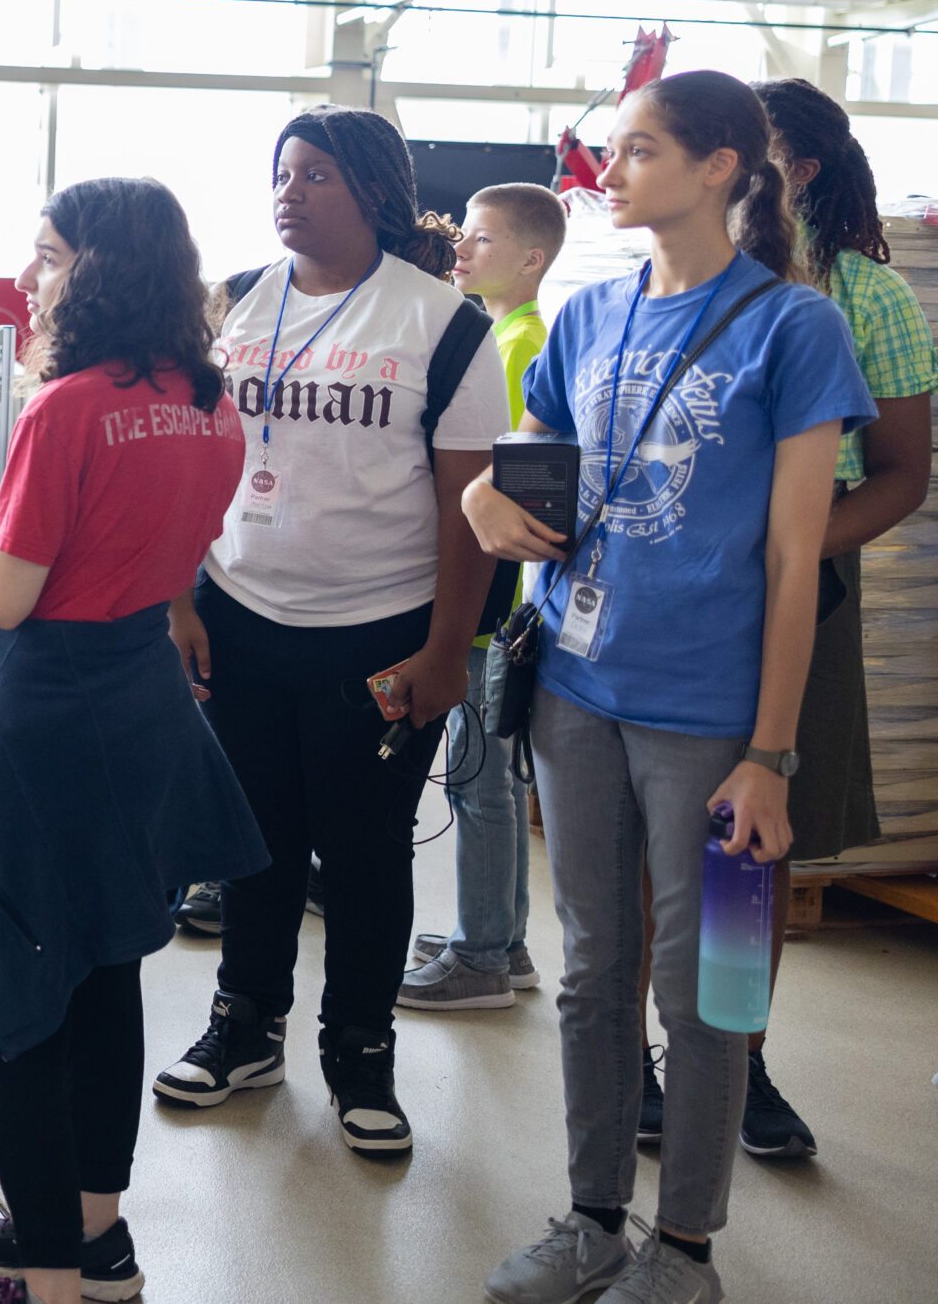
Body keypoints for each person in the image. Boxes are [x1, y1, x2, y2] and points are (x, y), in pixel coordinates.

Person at [465, 70, 872, 1304]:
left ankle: (684, 1249)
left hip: (713, 718)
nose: (610, 170)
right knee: (595, 969)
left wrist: (774, 753)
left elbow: (797, 559)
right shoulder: (587, 314)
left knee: (710, 989)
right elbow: (521, 471)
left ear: (720, 168)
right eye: (610, 149)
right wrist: (486, 503)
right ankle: (593, 1218)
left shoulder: (795, 328)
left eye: (639, 150)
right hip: (575, 690)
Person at [0, 179, 266, 1304]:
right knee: (109, 969)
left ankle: (46, 1277)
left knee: (14, 996)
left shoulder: (64, 409)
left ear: (98, 270)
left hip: (42, 725)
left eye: (47, 255)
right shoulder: (209, 403)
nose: (27, 277)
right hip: (142, 710)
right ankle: (99, 1242)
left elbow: (7, 594)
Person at [153, 105, 507, 1155]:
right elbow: (187, 459)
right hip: (237, 617)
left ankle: (359, 1047)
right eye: (281, 172)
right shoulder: (232, 303)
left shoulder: (440, 323)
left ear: (373, 190)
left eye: (314, 175)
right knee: (248, 842)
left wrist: (448, 651)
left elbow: (468, 509)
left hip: (379, 634)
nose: (288, 192)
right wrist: (178, 597)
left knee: (360, 853)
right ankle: (243, 1024)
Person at [663, 76, 933, 1160]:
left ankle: (737, 1061)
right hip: (662, 592)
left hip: (803, 592)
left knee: (750, 851)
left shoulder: (865, 295)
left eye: (742, 148)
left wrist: (784, 550)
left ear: (799, 172)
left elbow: (902, 475)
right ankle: (643, 1062)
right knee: (652, 840)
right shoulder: (672, 280)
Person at [402, 182, 567, 1010]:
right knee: (489, 776)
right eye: (463, 238)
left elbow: (511, 494)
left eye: (482, 240)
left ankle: (482, 957)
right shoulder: (502, 334)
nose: (461, 251)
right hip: (495, 601)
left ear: (531, 258)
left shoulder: (522, 346)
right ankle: (504, 936)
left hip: (491, 604)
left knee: (479, 778)